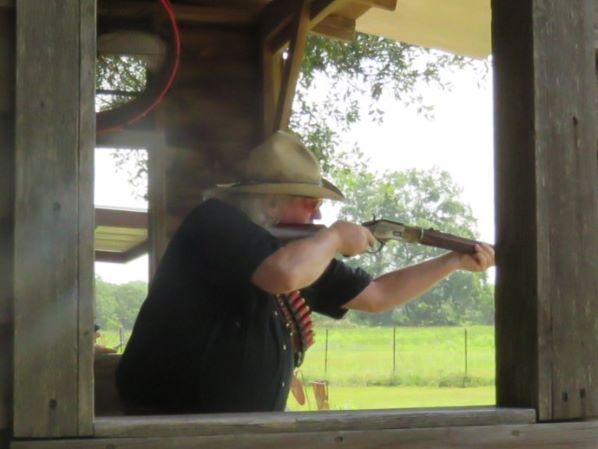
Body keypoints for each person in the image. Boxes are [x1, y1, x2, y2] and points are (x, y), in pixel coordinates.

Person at [115, 131, 494, 414]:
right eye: (310, 203)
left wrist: (453, 262)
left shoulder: (297, 254)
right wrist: (334, 238)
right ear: (271, 202)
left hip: (237, 433)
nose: (318, 214)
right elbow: (282, 275)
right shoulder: (216, 221)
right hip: (169, 427)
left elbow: (378, 296)